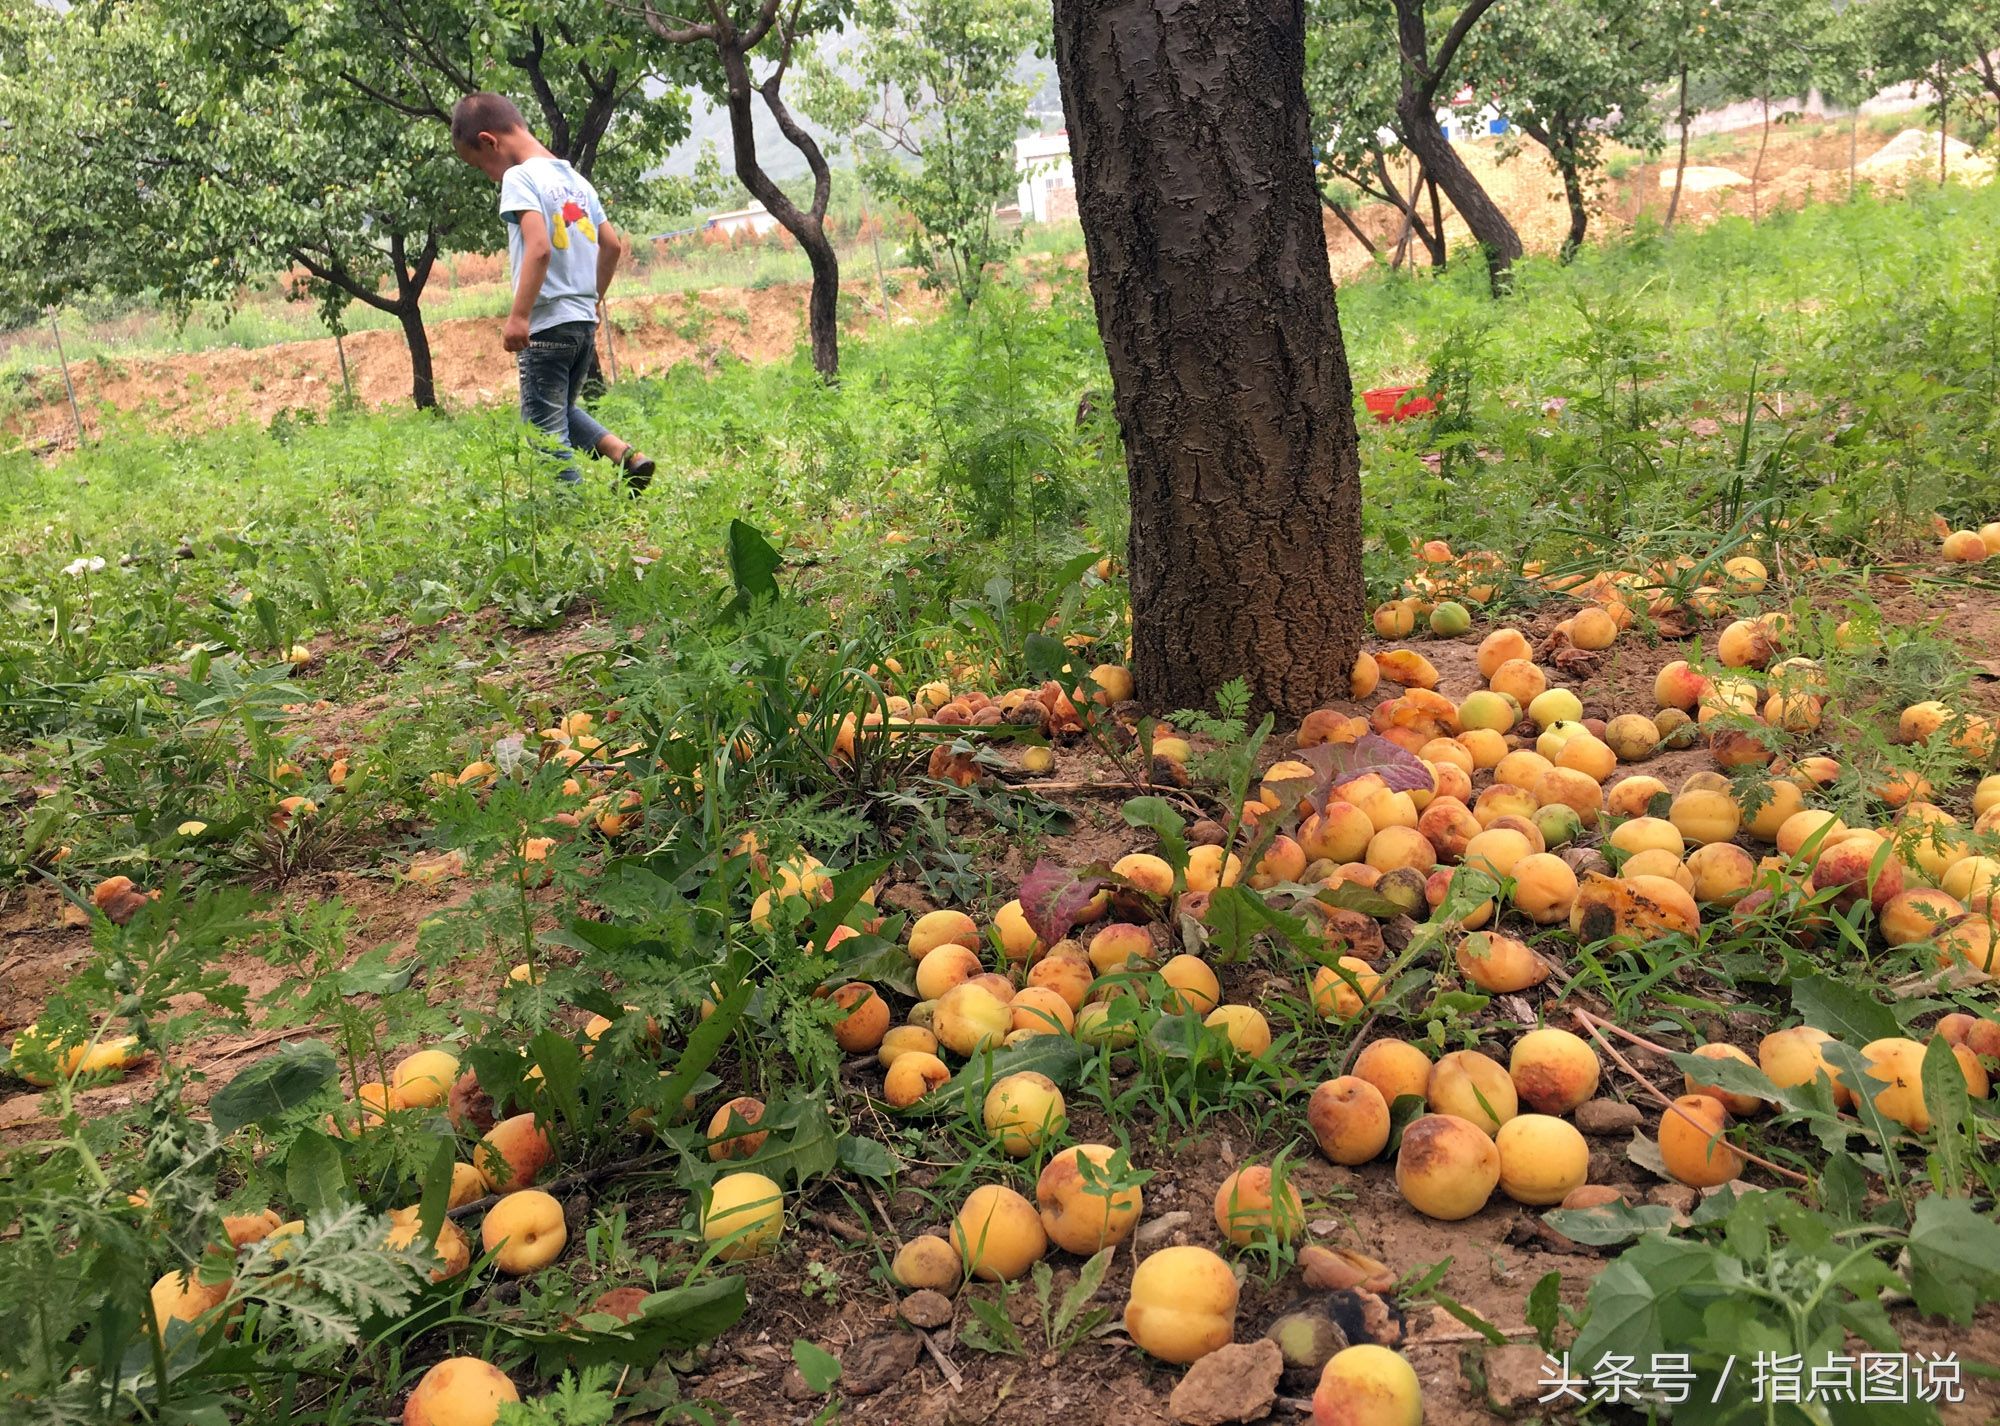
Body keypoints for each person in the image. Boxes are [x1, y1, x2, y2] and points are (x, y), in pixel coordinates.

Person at [450, 92, 655, 492]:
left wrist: (519, 316)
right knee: (560, 411)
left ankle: (572, 514)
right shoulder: (575, 181)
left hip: (545, 326)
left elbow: (539, 247)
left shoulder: (518, 177)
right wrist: (590, 301)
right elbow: (611, 245)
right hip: (581, 324)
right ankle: (627, 457)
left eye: (480, 165)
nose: (489, 176)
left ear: (490, 141)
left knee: (543, 434)